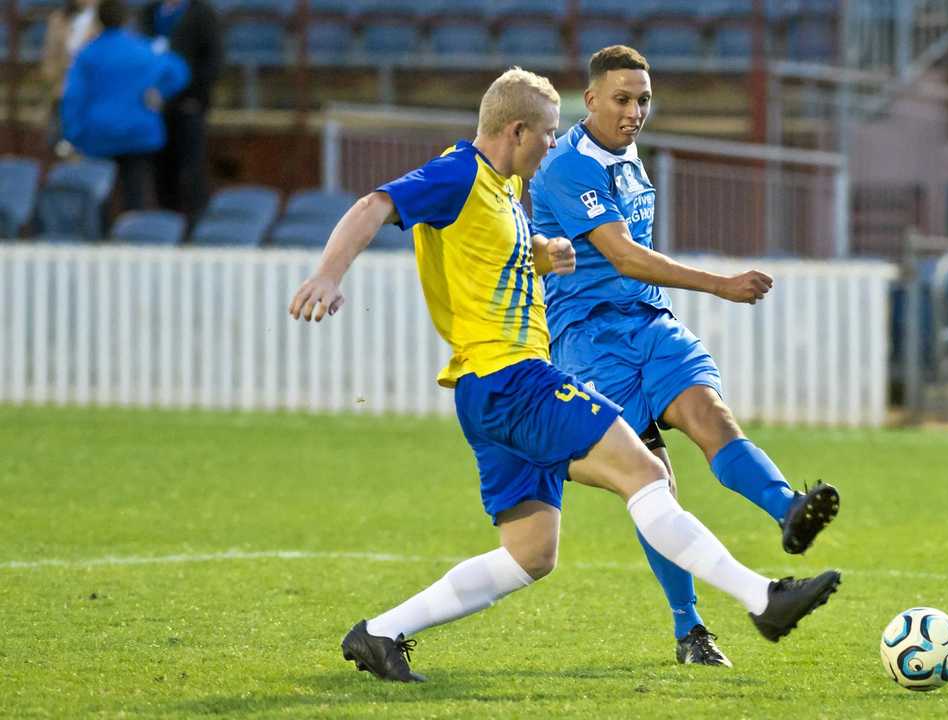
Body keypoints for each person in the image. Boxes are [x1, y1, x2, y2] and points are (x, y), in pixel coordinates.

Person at [287, 67, 840, 683]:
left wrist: (543, 257)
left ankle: (381, 633)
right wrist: (329, 275)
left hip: (487, 392)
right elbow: (374, 204)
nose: (554, 144)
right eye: (548, 134)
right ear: (517, 129)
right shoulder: (461, 171)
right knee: (646, 471)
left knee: (531, 554)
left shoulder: (501, 194)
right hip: (513, 380)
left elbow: (488, 268)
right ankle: (762, 599)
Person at [529, 46, 841, 667]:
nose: (635, 110)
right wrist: (721, 284)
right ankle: (690, 630)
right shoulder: (566, 168)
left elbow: (635, 265)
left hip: (649, 323)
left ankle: (788, 510)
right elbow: (624, 255)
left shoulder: (627, 156)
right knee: (656, 485)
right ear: (589, 101)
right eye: (622, 99)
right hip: (589, 339)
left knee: (712, 417)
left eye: (643, 99)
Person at [60, 0, 190, 211]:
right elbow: (179, 72)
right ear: (126, 20)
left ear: (98, 21)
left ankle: (99, 238)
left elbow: (73, 97)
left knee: (97, 196)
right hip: (138, 133)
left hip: (98, 135)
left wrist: (72, 133)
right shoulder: (143, 49)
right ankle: (133, 238)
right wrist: (160, 92)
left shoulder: (87, 55)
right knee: (135, 194)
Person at [138, 0, 222, 221]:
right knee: (162, 174)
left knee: (191, 172)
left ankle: (196, 229)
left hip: (188, 107)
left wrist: (194, 96)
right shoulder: (149, 13)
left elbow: (213, 61)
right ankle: (167, 226)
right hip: (155, 110)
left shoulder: (202, 13)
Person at [39, 0, 100, 155]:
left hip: (93, 94)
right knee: (59, 146)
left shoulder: (104, 20)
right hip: (62, 91)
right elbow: (49, 57)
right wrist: (55, 83)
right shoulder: (58, 19)